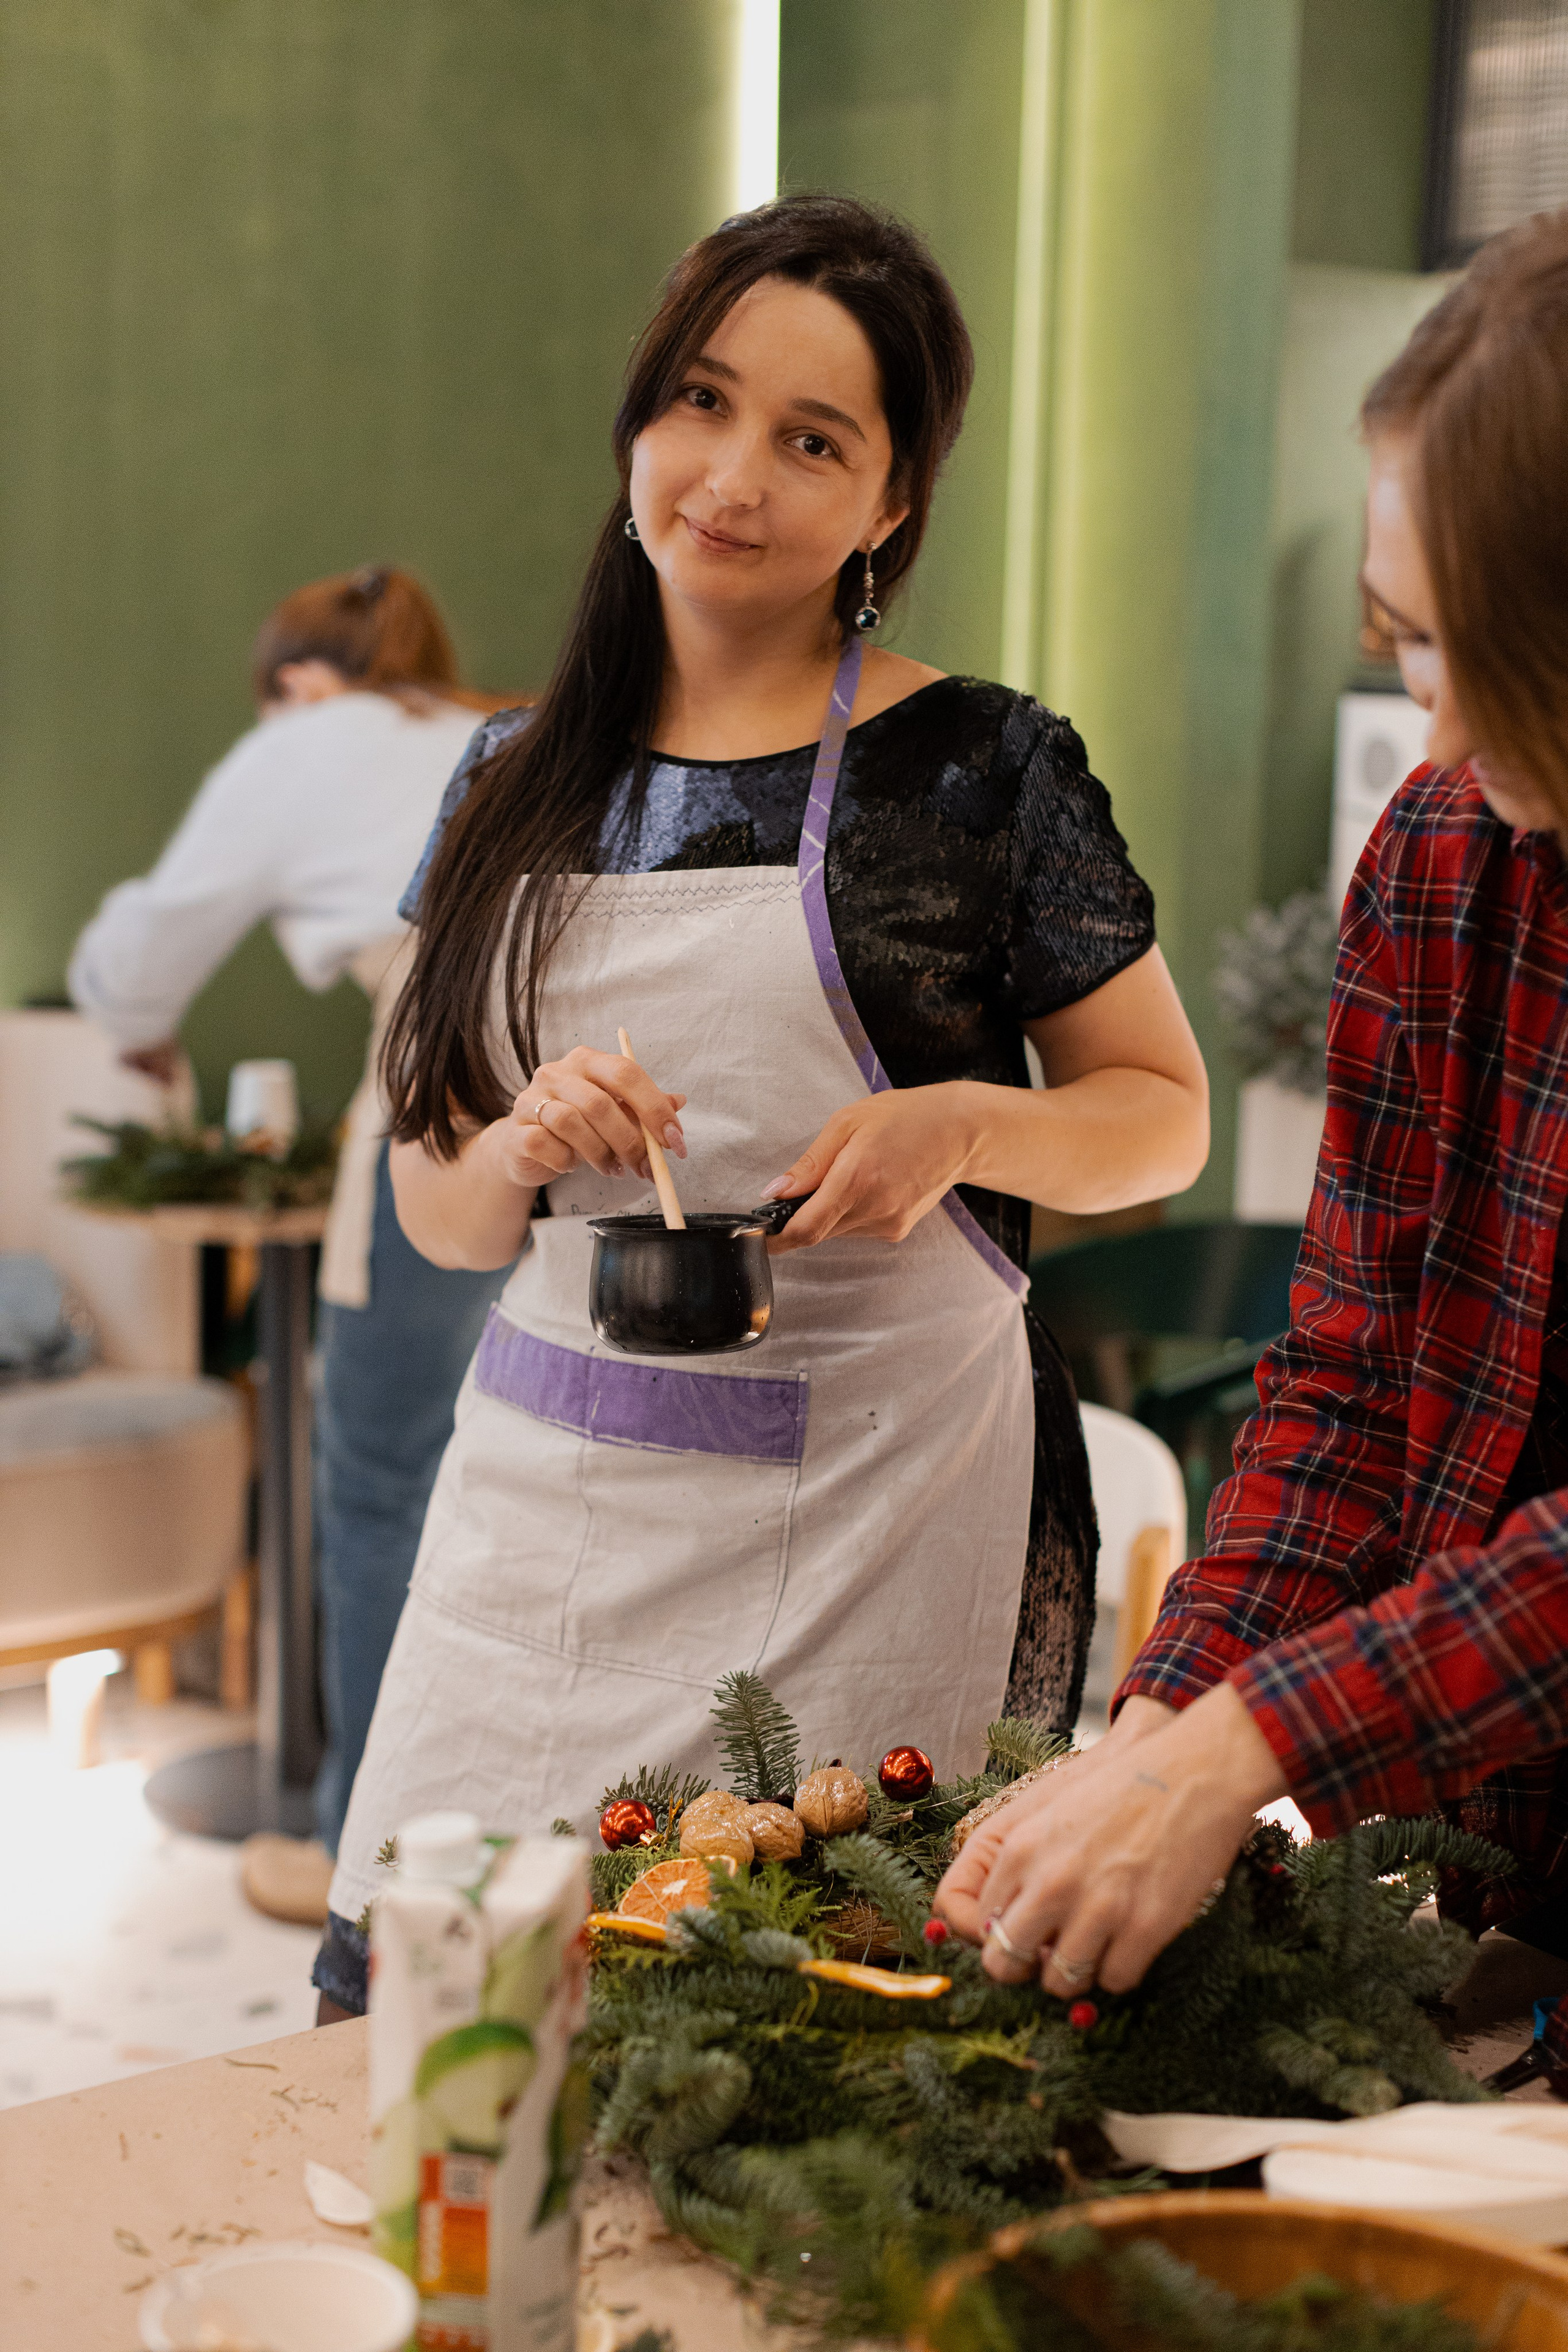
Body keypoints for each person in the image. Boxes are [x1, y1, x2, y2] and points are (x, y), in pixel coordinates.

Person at [314, 194, 1207, 2016]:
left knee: (793, 2067)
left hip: (875, 1526)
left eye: (813, 440)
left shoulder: (977, 767)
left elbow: (1163, 1112)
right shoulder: (506, 774)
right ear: (638, 420)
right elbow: (442, 1212)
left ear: (888, 507)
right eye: (700, 404)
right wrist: (520, 1143)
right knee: (444, 2049)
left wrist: (965, 1124)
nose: (732, 473)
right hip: (541, 1530)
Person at [935, 205, 1568, 2015]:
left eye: (1469, 653)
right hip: (1501, 1866)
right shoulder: (1450, 862)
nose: (1428, 734)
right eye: (1402, 644)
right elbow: (1362, 1371)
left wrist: (1240, 1757)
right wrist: (1159, 1719)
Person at [70, 566, 513, 1919]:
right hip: (601, 1101)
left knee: (379, 1486)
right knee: (526, 1477)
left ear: (298, 684)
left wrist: (133, 1023)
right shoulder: (495, 726)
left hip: (445, 1101)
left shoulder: (303, 741)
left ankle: (363, 1862)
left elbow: (132, 967)